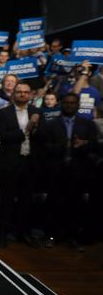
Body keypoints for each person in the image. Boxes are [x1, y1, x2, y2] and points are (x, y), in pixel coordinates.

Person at [41, 93, 98, 250]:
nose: (69, 105)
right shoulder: (51, 124)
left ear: (78, 105)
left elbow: (95, 145)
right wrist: (62, 145)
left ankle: (73, 238)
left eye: (72, 103)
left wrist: (83, 145)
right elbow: (44, 147)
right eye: (66, 102)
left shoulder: (87, 124)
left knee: (75, 206)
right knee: (53, 205)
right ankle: (51, 236)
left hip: (78, 171)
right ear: (61, 104)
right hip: (56, 170)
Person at [0, 82, 42, 248]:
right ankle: (3, 234)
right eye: (19, 92)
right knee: (6, 200)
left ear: (30, 95)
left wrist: (35, 127)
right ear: (13, 94)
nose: (22, 94)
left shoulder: (36, 112)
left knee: (26, 200)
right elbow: (2, 135)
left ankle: (24, 233)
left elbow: (43, 136)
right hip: (10, 163)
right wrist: (26, 130)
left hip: (30, 163)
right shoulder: (2, 113)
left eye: (26, 92)